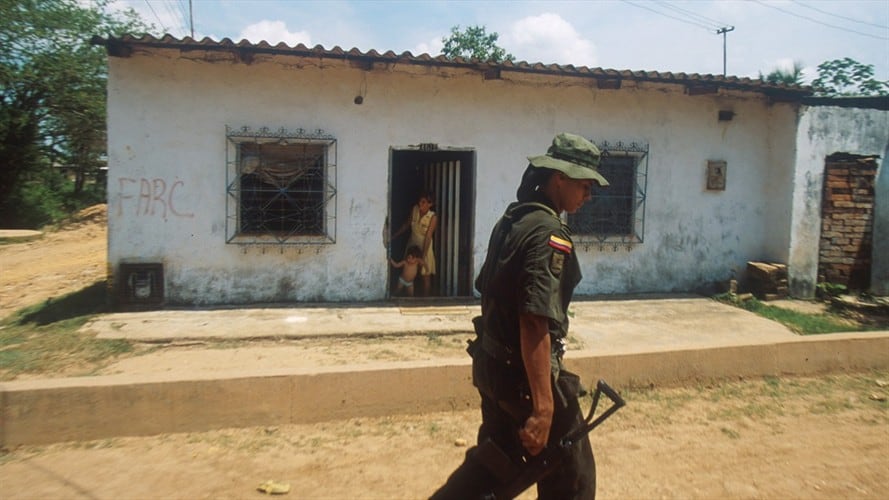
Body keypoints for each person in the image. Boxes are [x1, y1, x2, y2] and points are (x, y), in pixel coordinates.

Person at [430, 133, 609, 500]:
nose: (589, 195)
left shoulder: (513, 220)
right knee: (572, 477)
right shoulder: (548, 233)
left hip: (493, 367)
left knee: (492, 469)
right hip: (521, 379)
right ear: (560, 177)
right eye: (585, 185)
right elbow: (533, 319)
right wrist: (544, 407)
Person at [392, 191, 437, 296]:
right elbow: (407, 225)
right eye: (420, 202)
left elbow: (428, 236)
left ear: (430, 204)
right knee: (409, 270)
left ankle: (426, 299)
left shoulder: (433, 217)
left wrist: (424, 254)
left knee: (425, 274)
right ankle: (407, 295)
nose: (420, 204)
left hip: (425, 246)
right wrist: (394, 236)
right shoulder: (415, 209)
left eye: (424, 202)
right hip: (412, 245)